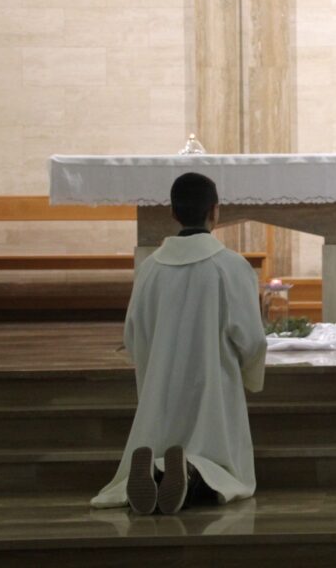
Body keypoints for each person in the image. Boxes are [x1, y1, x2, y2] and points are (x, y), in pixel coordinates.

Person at [91, 172, 267, 515]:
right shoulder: (231, 267)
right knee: (223, 467)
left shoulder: (151, 269)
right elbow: (252, 338)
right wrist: (250, 375)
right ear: (215, 211)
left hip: (161, 387)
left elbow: (133, 334)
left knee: (163, 440)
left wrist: (153, 367)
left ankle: (157, 469)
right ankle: (189, 472)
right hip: (213, 386)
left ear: (173, 213)